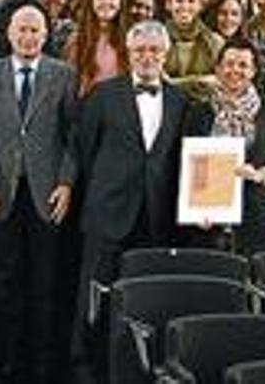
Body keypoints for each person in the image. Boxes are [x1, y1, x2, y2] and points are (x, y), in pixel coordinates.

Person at [73, 20, 190, 381]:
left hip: (157, 216)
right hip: (108, 212)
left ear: (165, 54)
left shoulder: (181, 102)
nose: (147, 57)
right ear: (129, 54)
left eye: (154, 50)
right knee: (94, 297)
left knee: (146, 299)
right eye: (140, 50)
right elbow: (84, 151)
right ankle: (86, 368)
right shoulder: (103, 94)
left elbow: (181, 158)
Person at [0, 4, 77, 384]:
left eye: (35, 30)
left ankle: (43, 364)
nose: (28, 37)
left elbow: (72, 140)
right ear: (9, 34)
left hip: (47, 194)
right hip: (2, 193)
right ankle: (6, 361)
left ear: (46, 35)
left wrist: (66, 183)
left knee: (45, 283)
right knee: (4, 281)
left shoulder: (64, 75)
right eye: (22, 30)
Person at [184, 37, 265, 255]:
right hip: (208, 220)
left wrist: (260, 174)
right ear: (218, 68)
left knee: (249, 281)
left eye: (243, 65)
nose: (235, 70)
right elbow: (186, 165)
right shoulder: (199, 112)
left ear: (253, 71)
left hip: (253, 215)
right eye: (229, 63)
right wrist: (195, 210)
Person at [64, 0, 129, 99]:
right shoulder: (76, 39)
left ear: (121, 2)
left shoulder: (130, 38)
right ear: (91, 2)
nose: (106, 2)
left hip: (120, 107)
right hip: (87, 106)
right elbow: (70, 83)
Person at [164, 0, 223, 100]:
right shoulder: (157, 38)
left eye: (191, 1)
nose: (185, 6)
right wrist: (198, 81)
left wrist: (174, 82)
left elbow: (220, 82)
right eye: (179, 0)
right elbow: (158, 83)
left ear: (200, 6)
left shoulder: (215, 42)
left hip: (204, 112)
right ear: (168, 4)